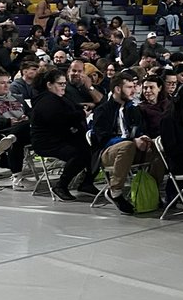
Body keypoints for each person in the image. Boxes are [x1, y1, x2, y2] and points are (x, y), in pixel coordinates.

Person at [90, 74, 164, 214]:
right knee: (127, 146)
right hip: (107, 153)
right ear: (118, 89)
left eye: (134, 87)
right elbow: (101, 139)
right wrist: (130, 141)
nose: (134, 91)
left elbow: (139, 129)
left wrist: (143, 138)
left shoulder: (133, 109)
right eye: (129, 87)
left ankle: (151, 190)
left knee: (157, 147)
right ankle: (115, 192)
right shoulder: (103, 110)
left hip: (131, 151)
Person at [29, 68, 94, 200]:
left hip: (62, 138)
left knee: (95, 150)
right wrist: (81, 115)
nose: (64, 87)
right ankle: (61, 186)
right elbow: (59, 119)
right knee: (79, 154)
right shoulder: (46, 101)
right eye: (60, 84)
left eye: (65, 84)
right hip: (48, 142)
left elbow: (69, 113)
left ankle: (87, 183)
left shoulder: (58, 98)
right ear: (49, 85)